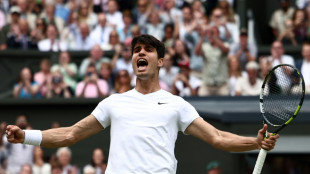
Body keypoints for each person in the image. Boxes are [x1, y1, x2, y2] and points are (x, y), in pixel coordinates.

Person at [5, 34, 279, 174]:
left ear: (160, 61)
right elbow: (71, 134)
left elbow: (218, 138)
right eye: (137, 50)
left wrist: (255, 143)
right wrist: (26, 136)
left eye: (147, 50)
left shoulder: (176, 105)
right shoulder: (114, 102)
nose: (140, 53)